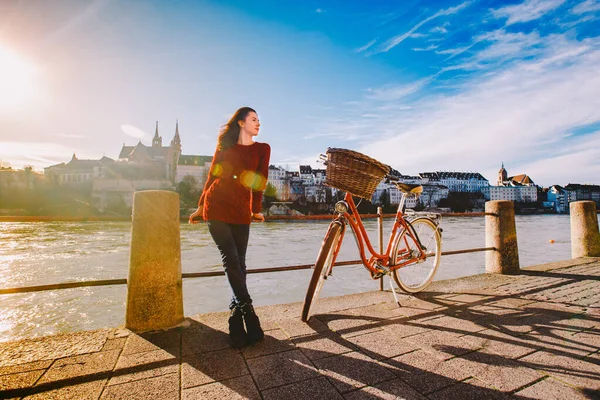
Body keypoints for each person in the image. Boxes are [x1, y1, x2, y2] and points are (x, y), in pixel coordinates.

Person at [189, 107, 271, 348]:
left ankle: (236, 323)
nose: (258, 123)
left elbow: (260, 179)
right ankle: (250, 315)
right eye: (254, 119)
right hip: (215, 207)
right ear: (241, 122)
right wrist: (200, 206)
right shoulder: (224, 148)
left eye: (259, 120)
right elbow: (212, 178)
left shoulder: (262, 149)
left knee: (240, 263)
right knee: (230, 259)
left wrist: (255, 209)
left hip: (240, 210)